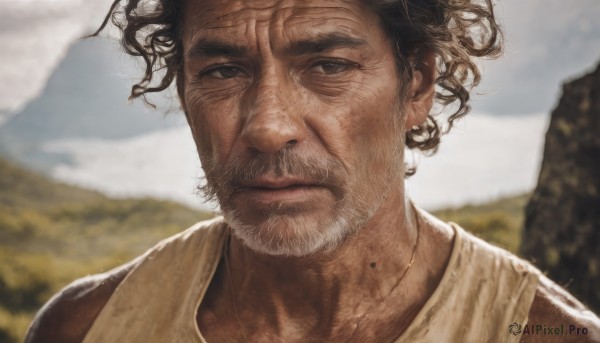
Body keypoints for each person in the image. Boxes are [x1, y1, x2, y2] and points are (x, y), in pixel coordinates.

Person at [26, 0, 600, 342]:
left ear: (417, 85)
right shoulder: (86, 329)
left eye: (328, 65)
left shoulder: (544, 332)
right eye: (224, 71)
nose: (268, 127)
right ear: (184, 86)